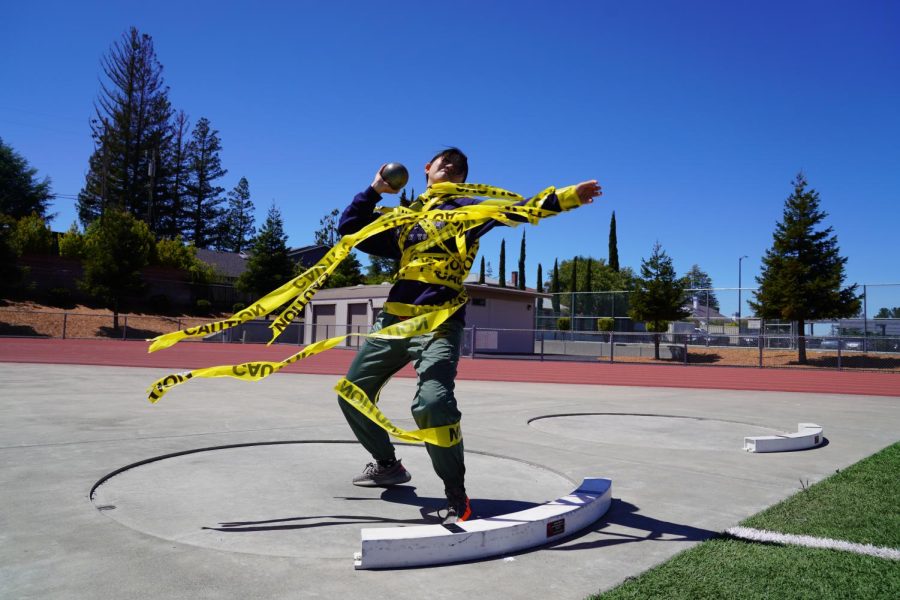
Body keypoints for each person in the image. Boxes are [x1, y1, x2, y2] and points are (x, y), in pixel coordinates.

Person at [336, 147, 601, 524]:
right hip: (394, 322)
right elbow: (350, 229)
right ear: (427, 169)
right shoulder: (405, 218)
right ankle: (387, 465)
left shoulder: (468, 210)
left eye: (459, 167)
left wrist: (568, 196)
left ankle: (455, 493)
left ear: (462, 179)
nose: (452, 166)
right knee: (352, 394)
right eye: (444, 161)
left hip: (440, 322)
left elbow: (519, 209)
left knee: (432, 404)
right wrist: (375, 189)